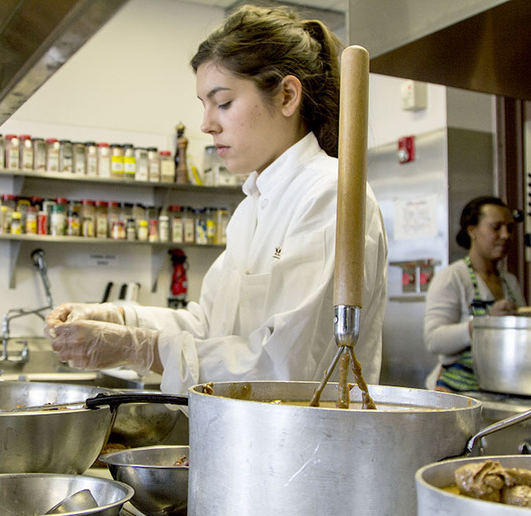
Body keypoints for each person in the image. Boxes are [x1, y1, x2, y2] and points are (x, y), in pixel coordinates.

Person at [45, 5, 388, 395]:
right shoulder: (250, 209)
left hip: (310, 445)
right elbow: (211, 329)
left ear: (288, 96)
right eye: (204, 105)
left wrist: (140, 348)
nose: (207, 124)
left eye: (222, 102)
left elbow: (288, 367)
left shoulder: (330, 193)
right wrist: (118, 319)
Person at [423, 196, 525, 392]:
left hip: (499, 388)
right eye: (496, 227)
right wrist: (484, 323)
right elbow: (434, 340)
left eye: (509, 228)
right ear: (472, 231)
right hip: (455, 392)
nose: (505, 235)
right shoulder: (453, 278)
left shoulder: (509, 282)